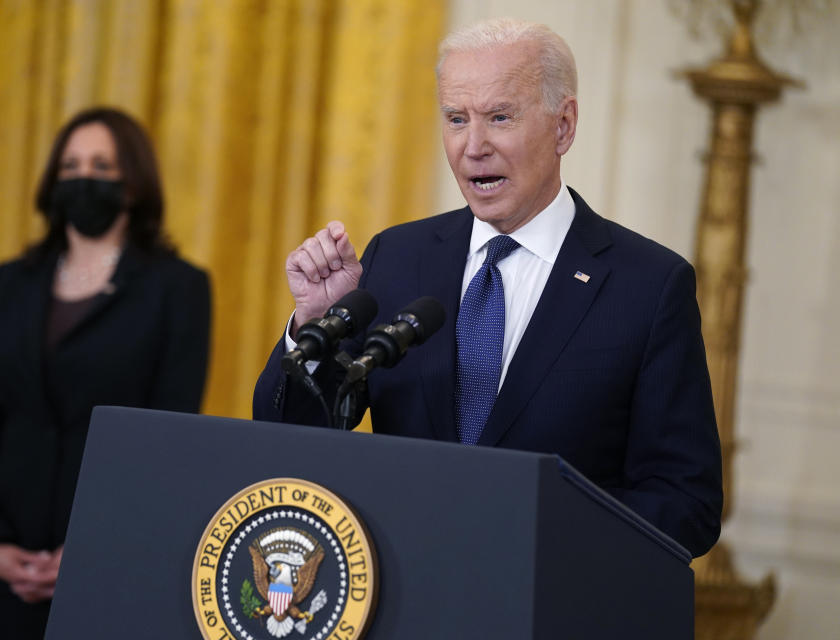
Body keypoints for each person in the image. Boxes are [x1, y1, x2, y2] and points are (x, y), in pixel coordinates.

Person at [253, 18, 722, 558]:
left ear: (563, 125)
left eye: (499, 117)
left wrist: (539, 532)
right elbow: (288, 438)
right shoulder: (397, 258)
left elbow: (687, 502)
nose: (473, 146)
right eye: (456, 119)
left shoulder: (647, 285)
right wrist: (314, 325)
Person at [0, 107, 211, 638]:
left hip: (109, 560)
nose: (83, 179)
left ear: (134, 184)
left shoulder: (179, 288)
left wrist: (96, 542)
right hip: (10, 567)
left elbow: (166, 441)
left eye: (101, 165)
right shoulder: (11, 282)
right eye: (70, 166)